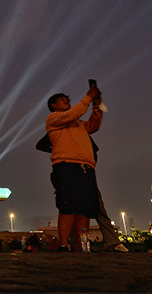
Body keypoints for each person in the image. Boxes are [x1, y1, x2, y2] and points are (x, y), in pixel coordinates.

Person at [36, 134, 128, 253]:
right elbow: (41, 145)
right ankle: (76, 245)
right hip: (69, 173)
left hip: (82, 173)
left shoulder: (80, 131)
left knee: (90, 208)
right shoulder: (59, 131)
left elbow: (94, 152)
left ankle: (98, 244)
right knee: (71, 210)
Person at [45, 85, 103, 252]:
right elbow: (74, 113)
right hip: (66, 165)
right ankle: (64, 244)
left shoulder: (78, 124)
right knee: (68, 206)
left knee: (85, 210)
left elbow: (93, 126)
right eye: (63, 100)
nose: (67, 102)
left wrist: (96, 107)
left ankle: (83, 245)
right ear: (53, 105)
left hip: (86, 166)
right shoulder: (53, 118)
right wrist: (87, 98)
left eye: (68, 100)